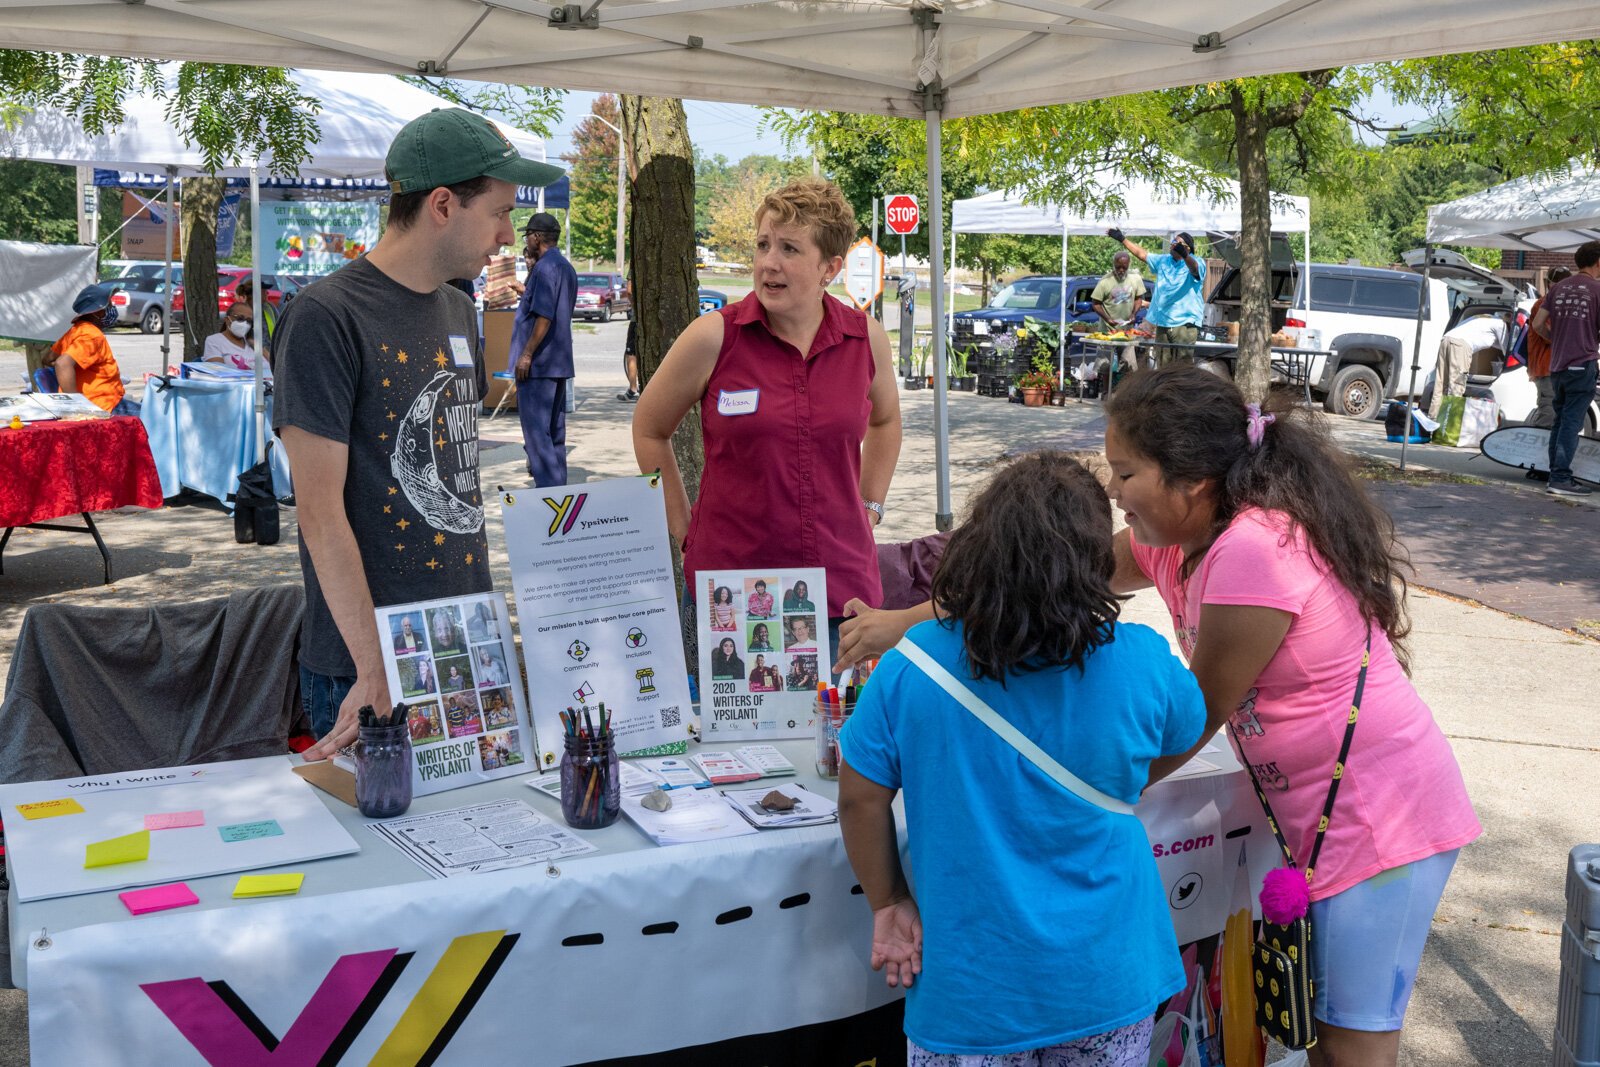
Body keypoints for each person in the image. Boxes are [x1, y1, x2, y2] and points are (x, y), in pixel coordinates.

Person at [1103, 365, 1481, 1067]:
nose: (1113, 493)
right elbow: (1052, 575)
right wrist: (913, 624)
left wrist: (1080, 793)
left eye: (1125, 475)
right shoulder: (1181, 536)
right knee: (1315, 1036)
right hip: (1322, 823)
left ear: (1191, 479)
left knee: (1351, 1043)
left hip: (1382, 819)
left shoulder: (1253, 548)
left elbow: (1192, 720)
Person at [839, 452, 1204, 1067]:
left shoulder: (915, 662)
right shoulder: (1143, 660)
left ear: (980, 547)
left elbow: (860, 798)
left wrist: (889, 900)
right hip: (1109, 976)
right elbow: (1184, 730)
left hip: (972, 992)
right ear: (1096, 564)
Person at [274, 107, 562, 757]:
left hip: (464, 643)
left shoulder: (461, 309)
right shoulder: (325, 317)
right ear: (441, 205)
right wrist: (376, 670)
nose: (507, 233)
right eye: (499, 212)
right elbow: (319, 515)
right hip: (367, 666)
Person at [634, 178, 901, 665]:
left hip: (842, 589)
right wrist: (681, 527)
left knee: (838, 734)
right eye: (762, 245)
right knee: (734, 741)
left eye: (789, 249)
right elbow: (650, 429)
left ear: (830, 267)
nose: (768, 263)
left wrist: (871, 504)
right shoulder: (714, 337)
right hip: (733, 594)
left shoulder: (866, 341)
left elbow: (885, 423)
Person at [510, 211, 577, 486]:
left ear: (537, 237)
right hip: (558, 363)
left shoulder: (544, 268)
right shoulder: (565, 266)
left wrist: (526, 354)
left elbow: (545, 316)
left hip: (538, 366)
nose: (526, 240)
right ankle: (559, 493)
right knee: (554, 434)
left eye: (527, 235)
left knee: (537, 435)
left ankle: (548, 497)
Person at [1531, 241, 1600, 497]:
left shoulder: (1558, 287)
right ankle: (1560, 478)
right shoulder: (1597, 289)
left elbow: (1538, 324)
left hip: (1557, 366)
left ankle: (1553, 474)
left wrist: (1559, 336)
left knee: (1560, 422)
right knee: (1571, 423)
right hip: (1582, 363)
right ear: (1598, 262)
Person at [1109, 228, 1204, 365]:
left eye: (1177, 243)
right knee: (1162, 367)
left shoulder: (1197, 261)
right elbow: (1142, 254)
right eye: (1173, 241)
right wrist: (1122, 239)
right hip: (1163, 322)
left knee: (1183, 368)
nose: (1173, 244)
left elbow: (1194, 269)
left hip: (1185, 323)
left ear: (1187, 248)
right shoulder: (1164, 260)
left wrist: (1185, 256)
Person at [51, 286, 137, 415]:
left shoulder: (77, 330)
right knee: (156, 419)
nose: (112, 309)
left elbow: (49, 358)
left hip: (102, 401)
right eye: (109, 305)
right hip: (104, 404)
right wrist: (77, 406)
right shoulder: (92, 336)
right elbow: (62, 364)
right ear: (98, 312)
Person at [1523, 267, 1571, 458]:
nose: (1562, 286)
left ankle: (1545, 461)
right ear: (1550, 283)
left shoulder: (1553, 303)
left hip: (1554, 368)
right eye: (1558, 282)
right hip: (1546, 368)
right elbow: (1551, 335)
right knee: (1548, 415)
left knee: (1554, 415)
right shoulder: (1543, 304)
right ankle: (1535, 461)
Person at [1428, 313, 1508, 419]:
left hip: (1446, 340)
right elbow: (1507, 349)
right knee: (1456, 386)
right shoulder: (1501, 325)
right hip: (1460, 345)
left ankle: (1432, 420)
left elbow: (1492, 342)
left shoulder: (1486, 317)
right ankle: (1449, 425)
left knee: (1440, 384)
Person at [203, 302, 270, 374]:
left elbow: (274, 365)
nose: (244, 323)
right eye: (240, 318)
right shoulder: (214, 341)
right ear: (227, 320)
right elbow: (217, 372)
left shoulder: (252, 344)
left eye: (249, 321)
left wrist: (259, 348)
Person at [1089, 251, 1147, 328]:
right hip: (1108, 331)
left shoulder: (1136, 278)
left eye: (1124, 267)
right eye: (1118, 267)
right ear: (1114, 265)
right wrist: (1107, 319)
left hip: (1128, 330)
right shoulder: (1104, 281)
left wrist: (1134, 314)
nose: (1121, 270)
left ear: (1129, 264)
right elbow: (1096, 304)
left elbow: (1138, 299)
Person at [234, 278, 277, 346]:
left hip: (270, 350)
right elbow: (243, 337)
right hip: (250, 352)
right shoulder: (242, 311)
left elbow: (279, 327)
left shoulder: (269, 307)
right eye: (264, 291)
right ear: (254, 294)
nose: (267, 293)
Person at [618, 284, 641, 402]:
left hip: (637, 319)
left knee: (631, 353)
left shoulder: (634, 267)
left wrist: (635, 306)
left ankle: (633, 389)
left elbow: (630, 290)